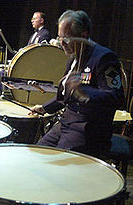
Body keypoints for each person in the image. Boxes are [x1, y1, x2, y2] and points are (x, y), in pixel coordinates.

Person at [29, 10, 125, 156]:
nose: (62, 44)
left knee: (57, 163)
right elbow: (67, 95)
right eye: (60, 38)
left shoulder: (104, 58)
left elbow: (116, 97)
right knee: (36, 153)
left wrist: (84, 92)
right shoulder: (73, 57)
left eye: (66, 39)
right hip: (67, 123)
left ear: (84, 36)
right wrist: (44, 108)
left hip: (89, 129)